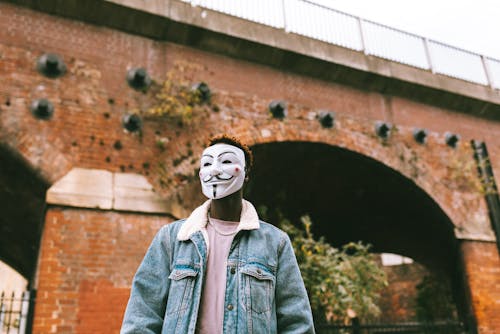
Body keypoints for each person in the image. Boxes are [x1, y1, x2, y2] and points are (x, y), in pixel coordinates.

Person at [121, 134, 315, 333]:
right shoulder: (172, 239)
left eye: (227, 161)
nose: (214, 170)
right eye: (207, 163)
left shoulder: (275, 243)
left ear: (246, 173)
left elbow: (297, 324)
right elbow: (141, 315)